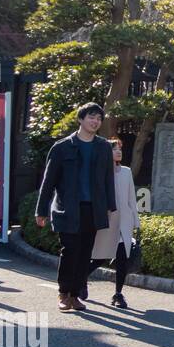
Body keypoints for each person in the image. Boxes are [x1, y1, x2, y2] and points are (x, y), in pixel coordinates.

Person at [35, 103, 117, 313]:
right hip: (67, 208)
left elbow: (108, 179)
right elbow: (49, 181)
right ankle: (64, 293)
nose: (95, 121)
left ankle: (76, 295)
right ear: (80, 119)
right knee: (70, 251)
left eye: (99, 118)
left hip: (93, 208)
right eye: (91, 117)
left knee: (84, 253)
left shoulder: (103, 147)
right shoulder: (62, 147)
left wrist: (110, 206)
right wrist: (41, 210)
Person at [90, 137, 141, 309]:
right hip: (107, 220)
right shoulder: (101, 171)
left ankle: (118, 294)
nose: (118, 151)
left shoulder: (126, 171)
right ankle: (81, 281)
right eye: (114, 149)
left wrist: (136, 221)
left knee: (122, 259)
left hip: (124, 222)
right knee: (100, 257)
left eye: (120, 148)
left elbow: (131, 199)